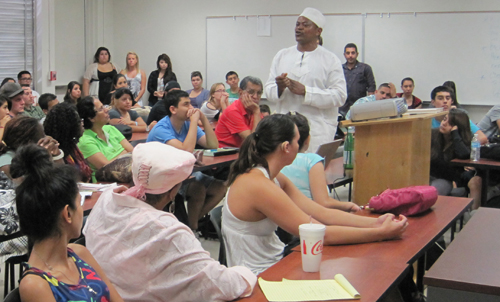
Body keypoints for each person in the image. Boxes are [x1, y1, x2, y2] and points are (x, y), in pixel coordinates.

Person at [222, 114, 408, 274]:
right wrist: (380, 233)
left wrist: (376, 223)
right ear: (286, 147)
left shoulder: (272, 177)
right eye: (297, 141)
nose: (300, 145)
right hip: (261, 274)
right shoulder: (258, 185)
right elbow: (319, 235)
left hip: (276, 259)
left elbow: (321, 213)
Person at [84, 142, 256, 302]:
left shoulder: (107, 198)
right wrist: (248, 273)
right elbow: (225, 286)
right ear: (173, 192)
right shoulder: (166, 231)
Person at [13, 144, 123, 302]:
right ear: (68, 214)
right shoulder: (35, 285)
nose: (81, 209)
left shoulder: (79, 253)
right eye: (79, 203)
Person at [264, 7, 347, 153]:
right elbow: (269, 92)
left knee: (312, 171)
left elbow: (340, 96)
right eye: (297, 24)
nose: (299, 28)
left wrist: (306, 92)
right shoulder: (282, 55)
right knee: (284, 172)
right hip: (285, 130)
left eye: (305, 25)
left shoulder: (330, 59)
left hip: (317, 131)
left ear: (318, 31)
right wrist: (280, 88)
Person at [147, 90, 225, 231]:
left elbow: (213, 145)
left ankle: (190, 225)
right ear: (173, 109)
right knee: (198, 188)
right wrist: (195, 121)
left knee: (221, 188)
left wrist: (203, 119)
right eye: (186, 104)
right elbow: (186, 150)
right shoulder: (161, 129)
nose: (191, 108)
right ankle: (191, 227)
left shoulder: (187, 124)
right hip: (159, 179)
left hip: (181, 173)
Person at [281, 112, 360, 212]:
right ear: (308, 139)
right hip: (310, 218)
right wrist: (348, 205)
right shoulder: (311, 160)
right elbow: (323, 202)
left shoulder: (277, 161)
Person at [430, 109, 482, 209]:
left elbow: (464, 154)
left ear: (457, 127)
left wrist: (455, 134)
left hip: (445, 179)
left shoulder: (462, 142)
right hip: (428, 176)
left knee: (434, 193)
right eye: (444, 119)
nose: (444, 123)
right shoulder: (433, 135)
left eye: (450, 123)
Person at [77, 96, 134, 182]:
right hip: (106, 183)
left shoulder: (110, 129)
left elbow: (133, 152)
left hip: (129, 173)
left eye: (104, 106)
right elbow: (107, 169)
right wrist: (124, 153)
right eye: (101, 109)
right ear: (91, 118)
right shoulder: (85, 140)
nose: (106, 110)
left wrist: (119, 158)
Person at [44, 102, 93, 183]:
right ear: (69, 127)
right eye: (78, 121)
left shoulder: (72, 145)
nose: (82, 123)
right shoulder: (56, 153)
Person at [215, 76, 264, 148]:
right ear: (241, 92)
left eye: (259, 93)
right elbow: (252, 141)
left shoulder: (253, 109)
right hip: (225, 153)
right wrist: (256, 112)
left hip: (242, 151)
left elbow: (262, 137)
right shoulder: (233, 111)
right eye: (251, 92)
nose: (255, 96)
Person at [340, 43, 376, 115]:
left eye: (353, 53)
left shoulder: (365, 68)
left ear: (357, 54)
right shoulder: (339, 69)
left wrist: (369, 105)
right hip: (342, 107)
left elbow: (371, 87)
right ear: (344, 55)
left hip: (360, 106)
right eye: (348, 53)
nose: (350, 55)